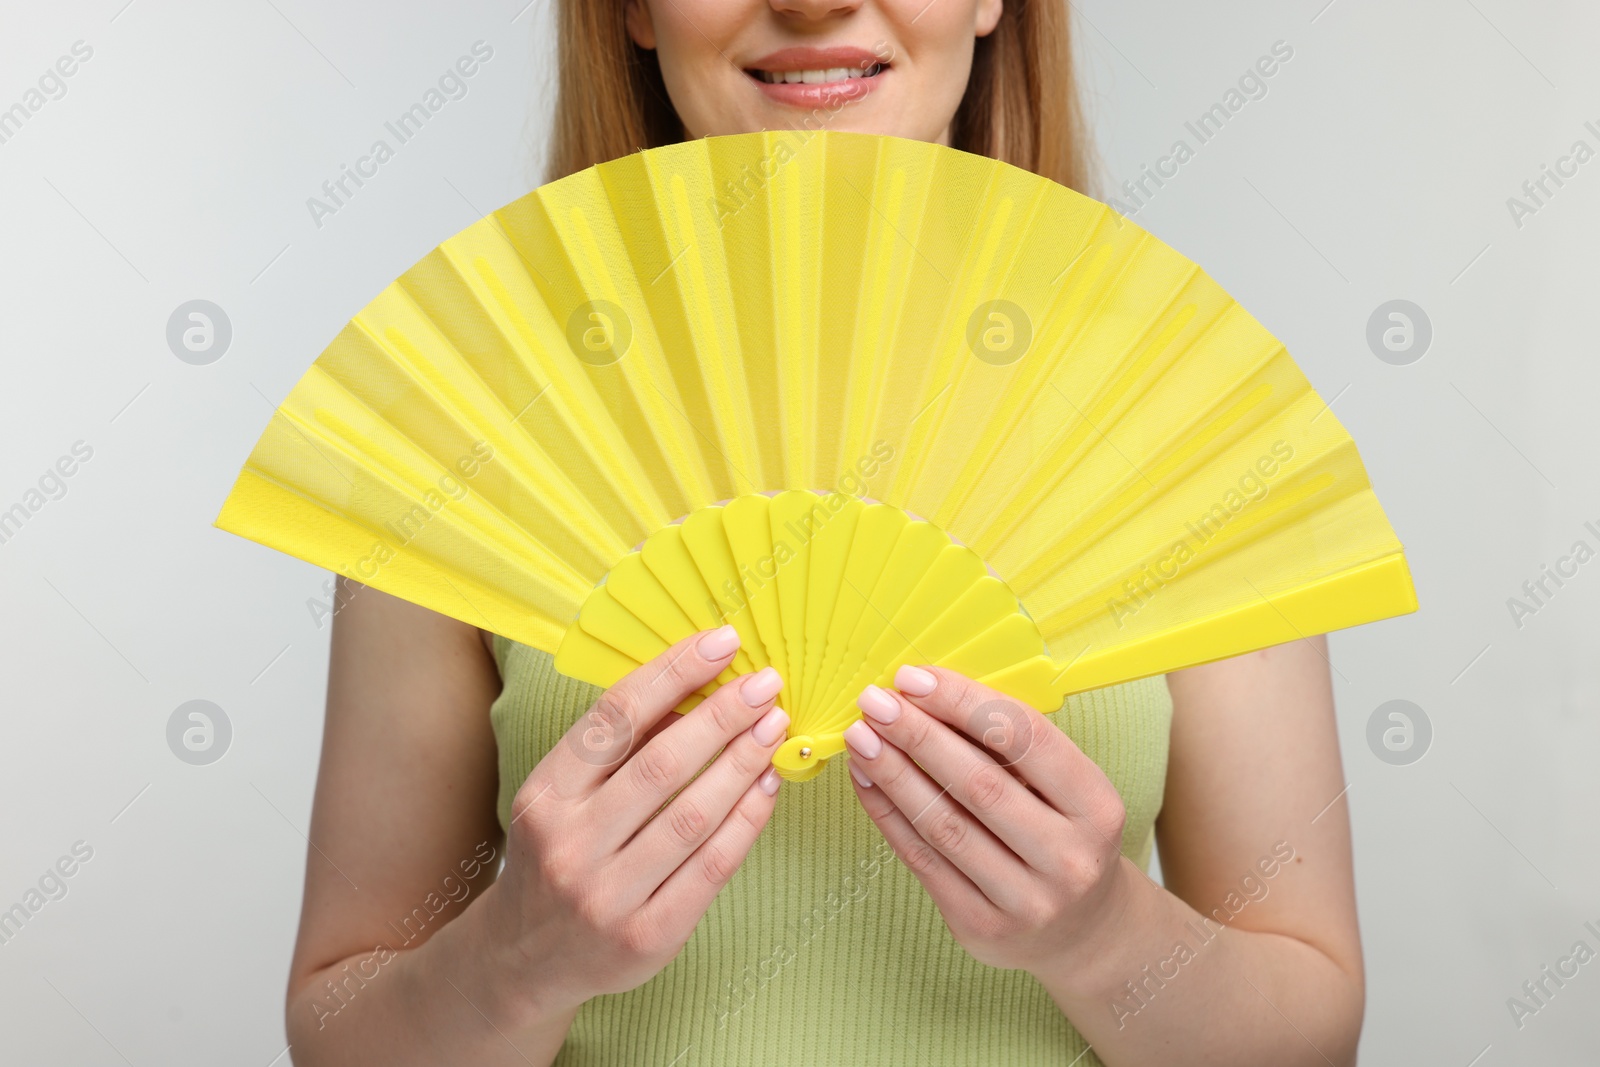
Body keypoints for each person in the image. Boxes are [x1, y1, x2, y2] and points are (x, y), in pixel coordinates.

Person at [284, 1, 1365, 1064]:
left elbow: (1310, 1025)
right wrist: (516, 958)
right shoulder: (470, 424)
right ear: (633, 11)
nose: (812, 2)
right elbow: (339, 1032)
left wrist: (1105, 935)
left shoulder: (1181, 412)